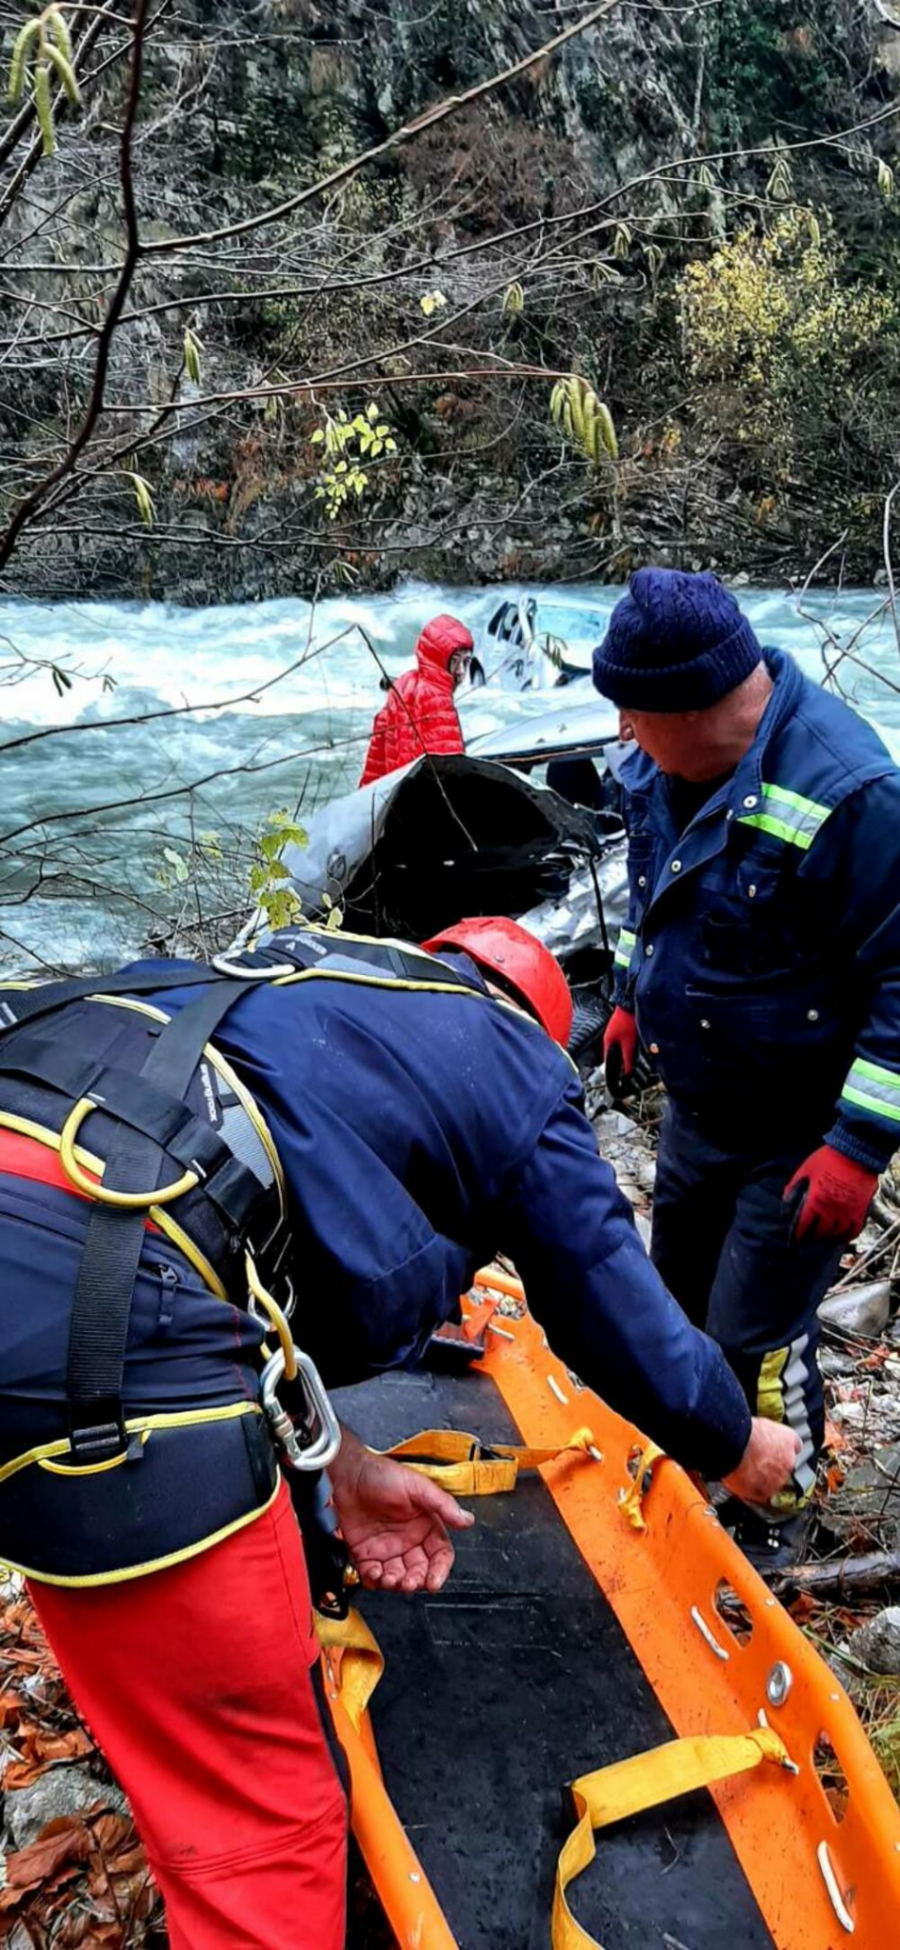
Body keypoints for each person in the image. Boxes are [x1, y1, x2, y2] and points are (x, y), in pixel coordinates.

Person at [0, 916, 797, 1947]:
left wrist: (337, 1462)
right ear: (539, 1022)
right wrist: (735, 1441)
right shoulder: (510, 1061)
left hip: (55, 1194)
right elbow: (611, 1302)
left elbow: (236, 1263)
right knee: (257, 1832)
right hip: (97, 1314)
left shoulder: (283, 982)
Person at [593, 566, 900, 1570]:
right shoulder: (660, 773)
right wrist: (634, 999)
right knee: (672, 1307)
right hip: (699, 1105)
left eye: (636, 714)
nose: (625, 735)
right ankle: (691, 1471)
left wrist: (857, 1148)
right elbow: (657, 902)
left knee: (753, 1338)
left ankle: (782, 1509)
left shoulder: (849, 790)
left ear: (695, 704)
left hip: (800, 1127)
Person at [359, 613, 473, 785]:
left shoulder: (403, 685)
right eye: (455, 661)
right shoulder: (437, 698)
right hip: (424, 801)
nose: (461, 671)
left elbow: (376, 763)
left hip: (399, 798)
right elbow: (448, 771)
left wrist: (367, 803)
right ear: (438, 658)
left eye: (466, 662)